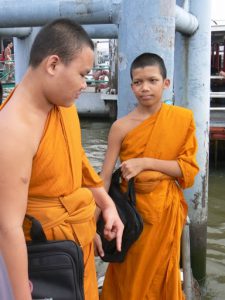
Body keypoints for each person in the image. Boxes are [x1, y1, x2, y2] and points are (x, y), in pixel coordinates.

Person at [0, 18, 124, 300]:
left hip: (76, 244)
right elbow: (7, 228)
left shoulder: (61, 105)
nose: (86, 84)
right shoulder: (13, 131)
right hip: (45, 260)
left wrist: (106, 205)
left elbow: (74, 161)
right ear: (53, 65)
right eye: (82, 74)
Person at [97, 53, 199, 299]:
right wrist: (94, 221)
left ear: (166, 83)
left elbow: (188, 171)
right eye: (138, 82)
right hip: (131, 215)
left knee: (161, 274)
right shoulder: (120, 127)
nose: (145, 88)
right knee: (129, 274)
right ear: (132, 86)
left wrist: (145, 163)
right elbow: (105, 177)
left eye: (152, 80)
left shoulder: (181, 119)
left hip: (165, 211)